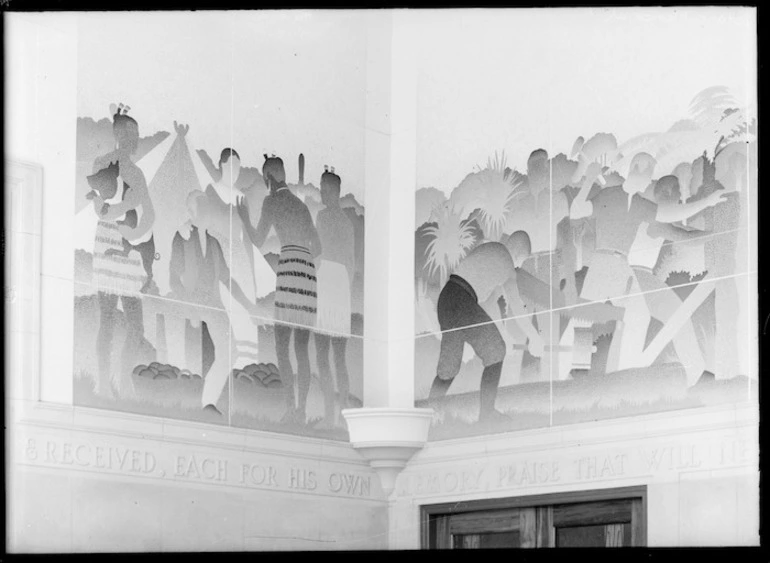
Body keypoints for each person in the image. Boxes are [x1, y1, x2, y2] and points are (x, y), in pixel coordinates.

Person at [238, 155, 322, 424]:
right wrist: (304, 261)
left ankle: (290, 408)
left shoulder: (272, 201)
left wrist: (243, 218)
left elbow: (259, 238)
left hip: (289, 270)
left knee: (282, 345)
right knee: (301, 348)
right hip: (307, 274)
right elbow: (318, 247)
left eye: (265, 179)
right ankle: (302, 410)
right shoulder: (300, 205)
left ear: (269, 178)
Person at [427, 242, 544, 424]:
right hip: (462, 300)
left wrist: (503, 334)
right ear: (519, 254)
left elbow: (487, 306)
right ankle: (487, 415)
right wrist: (535, 337)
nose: (519, 266)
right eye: (522, 261)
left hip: (448, 298)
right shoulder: (507, 263)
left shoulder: (490, 250)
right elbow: (515, 305)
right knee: (496, 351)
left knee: (448, 369)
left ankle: (428, 414)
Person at [88, 103, 155, 397]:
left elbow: (147, 212)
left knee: (135, 324)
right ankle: (103, 382)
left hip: (127, 247)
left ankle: (123, 379)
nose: (136, 141)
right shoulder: (103, 164)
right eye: (131, 134)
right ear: (119, 135)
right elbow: (103, 210)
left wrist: (135, 237)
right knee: (107, 318)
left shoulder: (136, 172)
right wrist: (125, 212)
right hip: (108, 243)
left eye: (138, 135)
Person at [313, 167, 356, 428]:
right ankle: (339, 413)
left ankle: (332, 415)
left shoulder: (324, 217)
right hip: (340, 283)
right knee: (338, 357)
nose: (321, 191)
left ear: (334, 191)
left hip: (329, 278)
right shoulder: (347, 222)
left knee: (324, 354)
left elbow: (319, 251)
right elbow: (351, 261)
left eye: (323, 188)